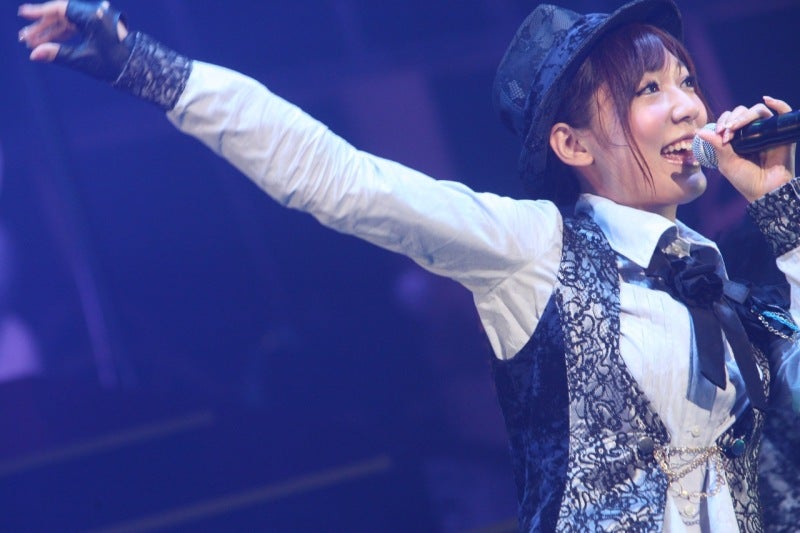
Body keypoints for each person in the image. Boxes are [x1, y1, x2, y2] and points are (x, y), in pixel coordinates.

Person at [16, 0, 800, 531]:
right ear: (571, 143)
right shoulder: (533, 247)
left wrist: (779, 204)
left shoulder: (721, 277)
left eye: (687, 81)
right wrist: (146, 66)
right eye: (650, 89)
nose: (690, 105)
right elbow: (342, 179)